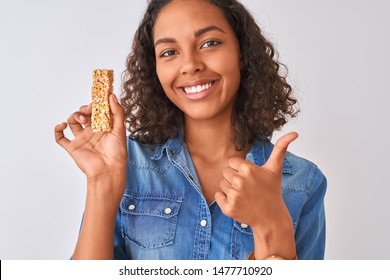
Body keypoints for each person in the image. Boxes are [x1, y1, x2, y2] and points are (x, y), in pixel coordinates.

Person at [54, 0, 326, 260]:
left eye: (210, 43)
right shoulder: (126, 165)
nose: (190, 65)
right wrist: (102, 182)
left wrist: (271, 223)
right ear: (155, 69)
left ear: (241, 54)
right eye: (169, 52)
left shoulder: (303, 183)